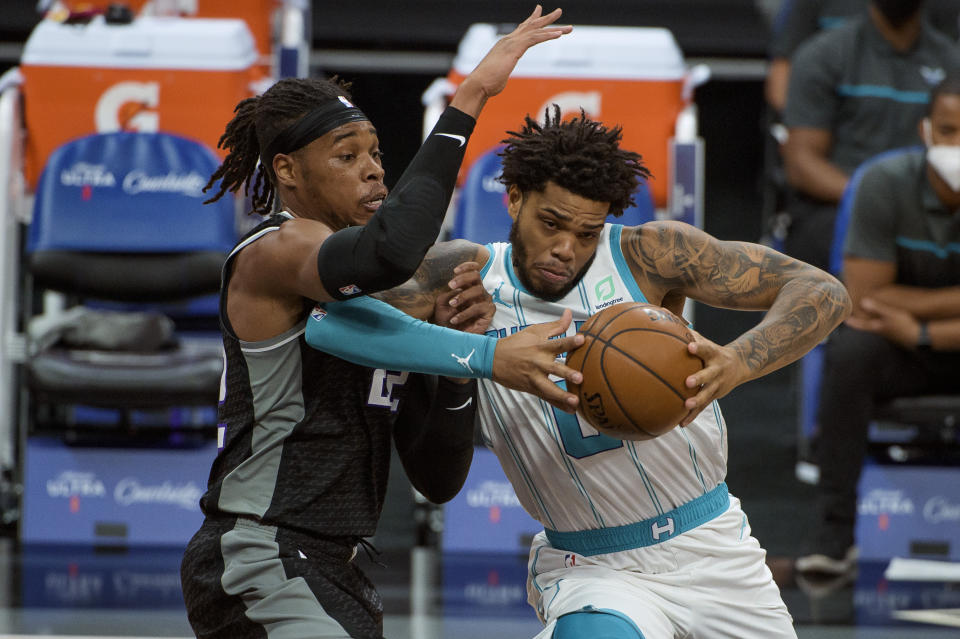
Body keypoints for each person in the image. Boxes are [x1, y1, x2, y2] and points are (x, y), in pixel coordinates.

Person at [308, 107, 852, 638]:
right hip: (591, 566)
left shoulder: (650, 255)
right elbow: (330, 320)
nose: (566, 249)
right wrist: (461, 347)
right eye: (551, 224)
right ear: (514, 198)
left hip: (712, 547)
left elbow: (822, 290)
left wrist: (739, 361)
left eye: (587, 233)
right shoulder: (463, 277)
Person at [179, 8, 582, 639]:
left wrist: (456, 370)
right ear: (287, 170)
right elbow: (391, 251)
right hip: (262, 552)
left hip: (337, 565)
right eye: (347, 155)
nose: (373, 170)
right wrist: (471, 96)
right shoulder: (275, 253)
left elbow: (438, 478)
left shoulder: (393, 295)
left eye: (375, 153)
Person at [796, 73, 960, 575]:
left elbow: (885, 297)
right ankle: (835, 534)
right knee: (850, 354)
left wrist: (923, 329)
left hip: (920, 336)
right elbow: (864, 298)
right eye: (951, 131)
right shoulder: (883, 182)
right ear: (927, 130)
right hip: (896, 347)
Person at [780, 0, 960, 271]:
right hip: (841, 201)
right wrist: (872, 199)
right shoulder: (823, 54)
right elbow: (801, 162)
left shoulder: (951, 62)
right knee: (820, 239)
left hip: (936, 204)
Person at [765, 0, 960, 114]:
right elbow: (781, 81)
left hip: (919, 141)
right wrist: (808, 120)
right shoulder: (823, 53)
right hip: (839, 134)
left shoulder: (943, 36)